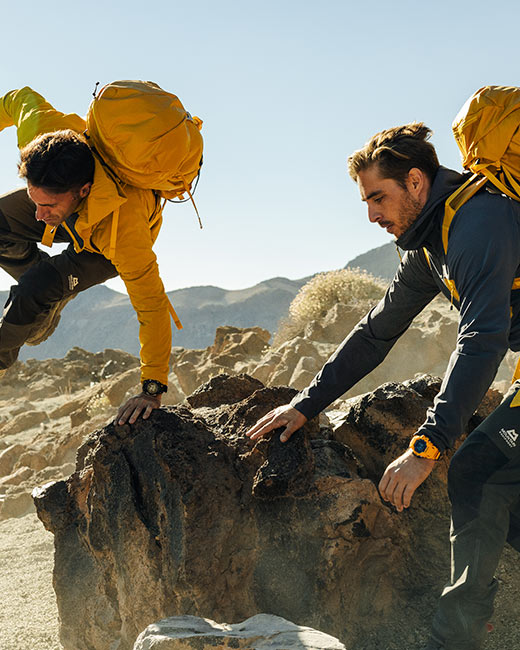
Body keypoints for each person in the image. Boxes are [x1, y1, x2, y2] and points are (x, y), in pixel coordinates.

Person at [246, 123, 520, 650]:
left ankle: (453, 641)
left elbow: (482, 340)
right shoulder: (430, 244)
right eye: (366, 201)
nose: (371, 215)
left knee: (478, 469)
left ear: (415, 182)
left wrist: (426, 447)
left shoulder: (479, 223)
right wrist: (306, 404)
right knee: (494, 478)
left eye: (378, 198)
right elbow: (376, 332)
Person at [0, 87, 178, 423]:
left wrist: (152, 389)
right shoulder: (43, 135)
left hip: (101, 247)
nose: (38, 215)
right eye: (34, 200)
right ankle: (45, 296)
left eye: (47, 205)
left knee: (36, 286)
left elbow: (152, 306)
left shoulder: (125, 233)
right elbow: (17, 99)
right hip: (72, 216)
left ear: (83, 190)